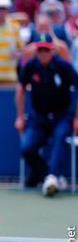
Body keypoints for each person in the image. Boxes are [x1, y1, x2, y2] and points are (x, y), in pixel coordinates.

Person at [15, 33, 78, 196]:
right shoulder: (31, 66)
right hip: (39, 118)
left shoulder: (63, 66)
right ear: (36, 50)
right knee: (27, 149)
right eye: (40, 50)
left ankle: (52, 177)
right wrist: (20, 117)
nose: (43, 53)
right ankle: (51, 177)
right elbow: (21, 89)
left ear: (52, 51)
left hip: (62, 116)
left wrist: (77, 117)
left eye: (46, 50)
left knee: (60, 137)